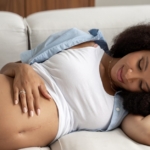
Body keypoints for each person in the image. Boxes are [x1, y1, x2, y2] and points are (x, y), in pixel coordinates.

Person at [0, 24, 150, 150]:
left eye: (141, 85)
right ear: (141, 45)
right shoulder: (82, 42)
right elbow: (8, 69)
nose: (130, 76)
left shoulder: (123, 110)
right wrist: (23, 69)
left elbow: (146, 133)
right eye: (140, 64)